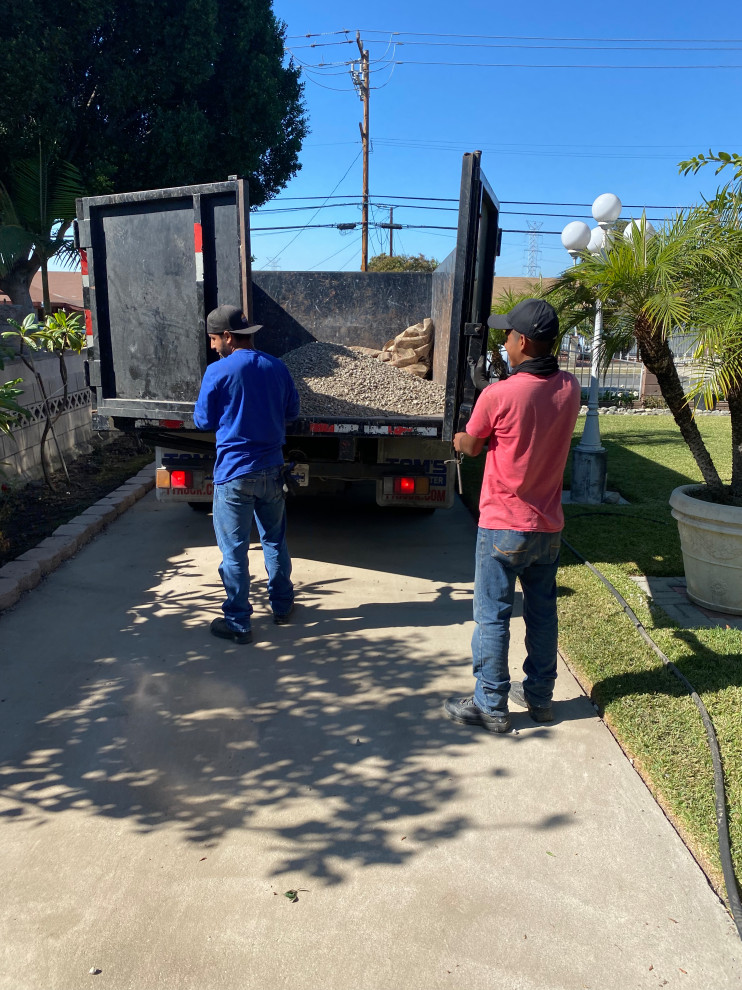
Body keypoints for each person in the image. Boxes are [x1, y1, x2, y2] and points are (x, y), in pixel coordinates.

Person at [444, 299, 581, 732]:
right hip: (548, 527)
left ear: (521, 341)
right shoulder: (571, 387)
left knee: (492, 615)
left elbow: (472, 444)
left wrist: (459, 434)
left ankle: (490, 704)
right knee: (542, 615)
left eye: (506, 336)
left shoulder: (497, 394)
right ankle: (540, 699)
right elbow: (535, 405)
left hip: (503, 524)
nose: (503, 342)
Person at [194, 304, 300, 645]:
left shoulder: (217, 372)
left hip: (235, 474)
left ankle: (239, 624)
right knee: (274, 540)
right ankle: (282, 606)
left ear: (227, 336)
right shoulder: (277, 367)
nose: (212, 346)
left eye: (213, 339)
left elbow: (203, 421)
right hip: (273, 470)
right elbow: (292, 412)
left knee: (234, 552)